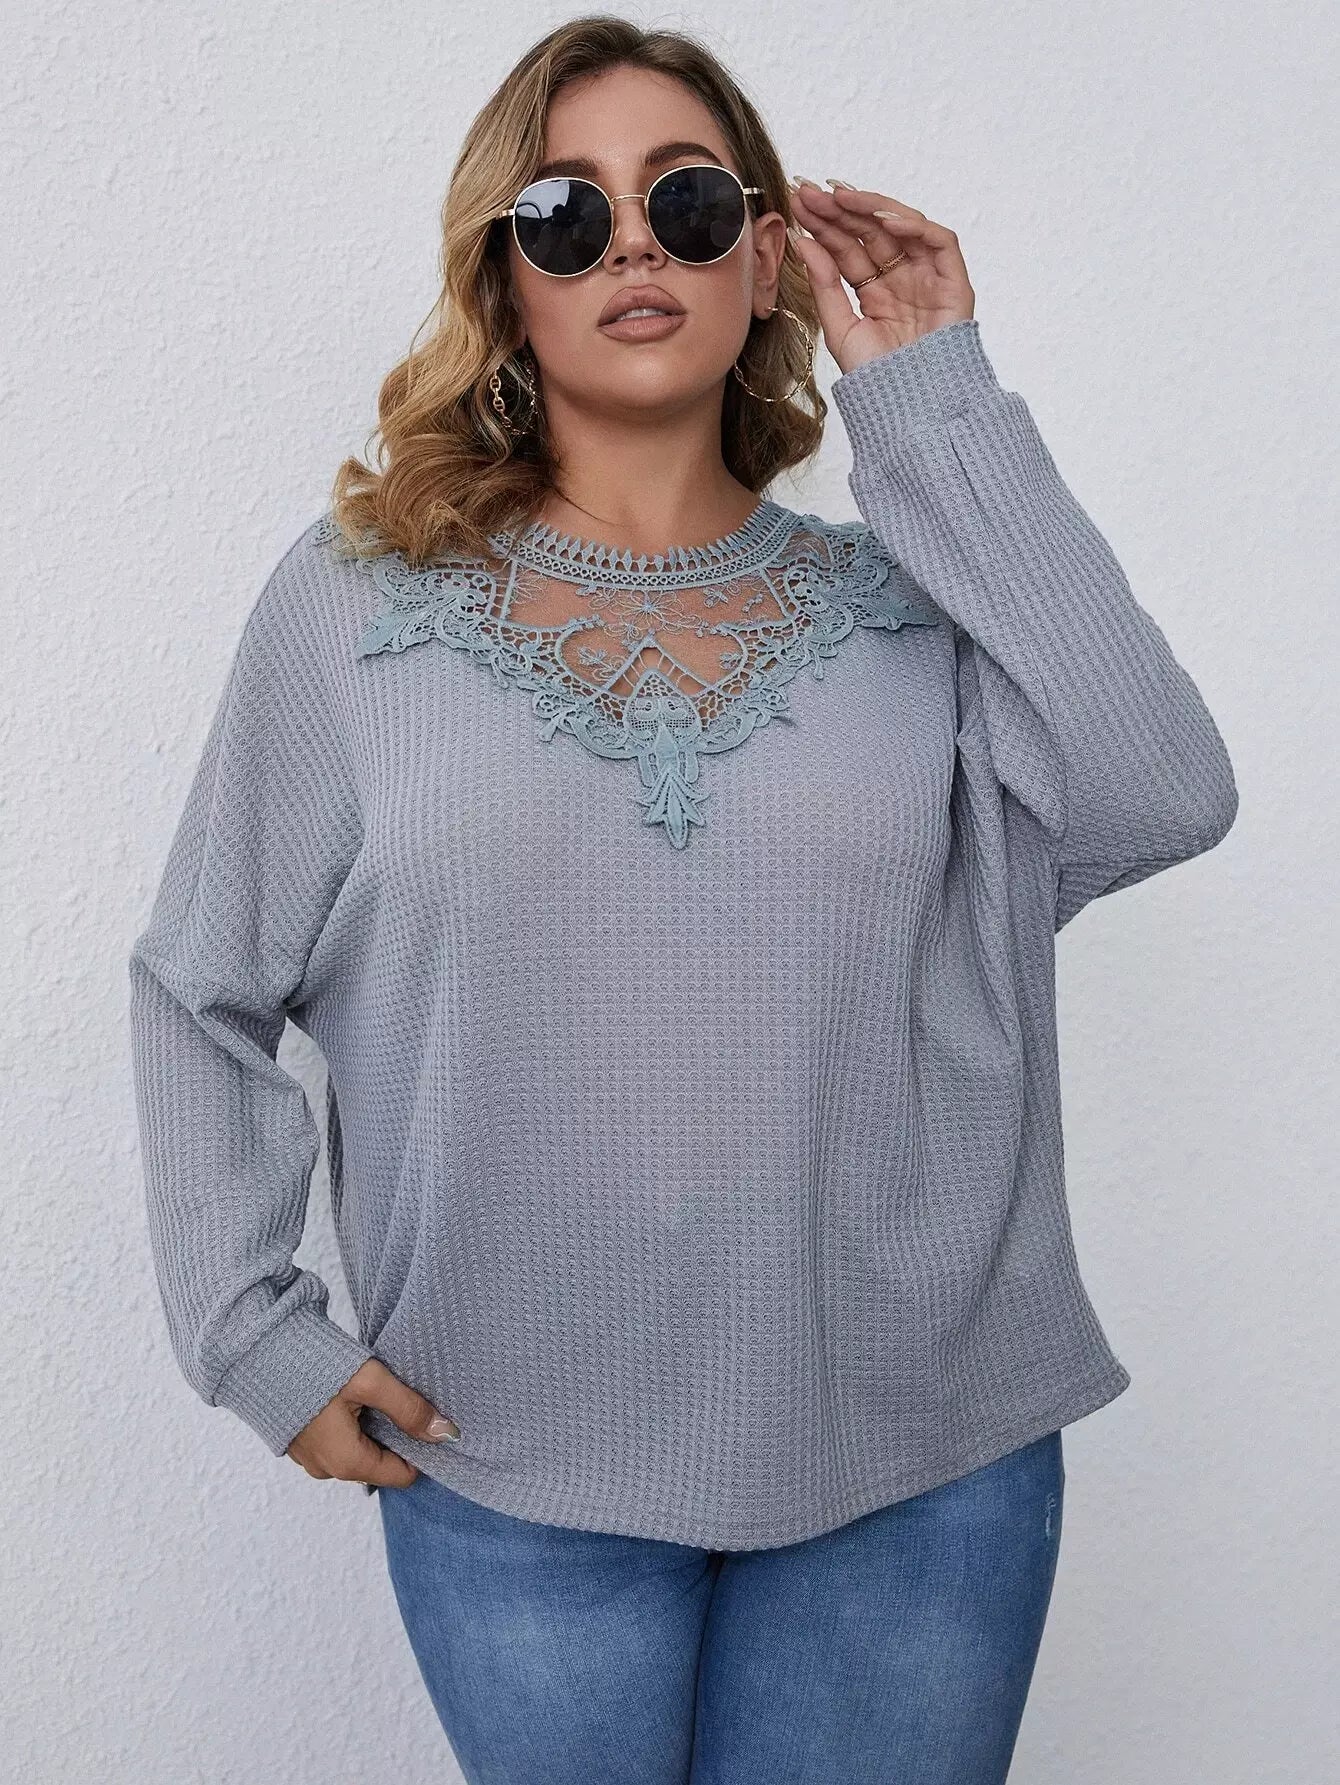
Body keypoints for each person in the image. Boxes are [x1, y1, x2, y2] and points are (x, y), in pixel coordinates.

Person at [127, 15, 1239, 1783]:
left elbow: (1161, 788)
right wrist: (254, 1333)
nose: (633, 244)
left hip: (923, 1456)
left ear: (766, 256)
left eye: (691, 201)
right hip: (508, 1458)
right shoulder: (353, 609)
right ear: (505, 279)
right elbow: (200, 980)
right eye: (568, 213)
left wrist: (934, 395)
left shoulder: (917, 613)